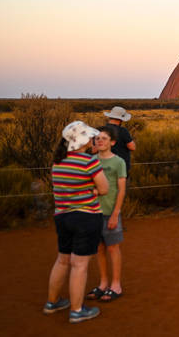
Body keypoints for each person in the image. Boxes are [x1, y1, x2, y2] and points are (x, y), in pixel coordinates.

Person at [44, 121, 109, 323]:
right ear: (82, 140)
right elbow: (104, 188)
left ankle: (52, 303)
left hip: (62, 217)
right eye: (89, 137)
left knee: (62, 259)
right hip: (86, 217)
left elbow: (62, 188)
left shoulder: (58, 162)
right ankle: (77, 310)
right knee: (80, 265)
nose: (92, 139)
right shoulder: (89, 162)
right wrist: (92, 191)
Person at [85, 126, 126, 302]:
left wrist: (116, 213)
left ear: (112, 142)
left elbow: (121, 189)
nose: (100, 141)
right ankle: (103, 283)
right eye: (97, 138)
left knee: (112, 247)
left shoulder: (118, 162)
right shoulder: (91, 161)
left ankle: (116, 285)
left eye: (104, 138)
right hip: (93, 211)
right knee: (99, 248)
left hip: (110, 211)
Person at [103, 106, 136, 176]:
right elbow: (132, 147)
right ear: (120, 119)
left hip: (104, 168)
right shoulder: (123, 131)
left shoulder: (101, 130)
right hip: (120, 169)